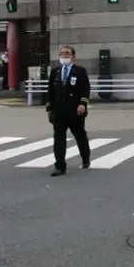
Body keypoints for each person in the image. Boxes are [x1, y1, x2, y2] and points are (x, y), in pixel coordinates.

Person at [46, 45, 92, 176]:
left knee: (80, 136)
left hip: (75, 111)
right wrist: (49, 108)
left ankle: (85, 158)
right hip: (59, 112)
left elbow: (85, 90)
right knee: (59, 139)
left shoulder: (80, 71)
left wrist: (82, 104)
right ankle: (60, 166)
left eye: (67, 53)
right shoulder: (55, 72)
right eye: (62, 53)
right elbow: (50, 91)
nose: (64, 55)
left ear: (73, 56)